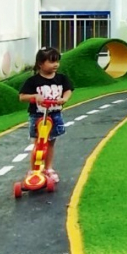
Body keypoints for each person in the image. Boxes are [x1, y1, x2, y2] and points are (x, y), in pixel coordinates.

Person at [18, 47, 74, 182]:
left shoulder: (61, 78)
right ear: (40, 64)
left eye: (57, 61)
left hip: (54, 115)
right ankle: (34, 170)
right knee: (38, 143)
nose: (55, 65)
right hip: (37, 115)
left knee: (50, 143)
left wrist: (65, 98)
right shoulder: (33, 81)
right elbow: (22, 97)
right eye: (51, 62)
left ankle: (48, 168)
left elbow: (68, 90)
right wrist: (34, 96)